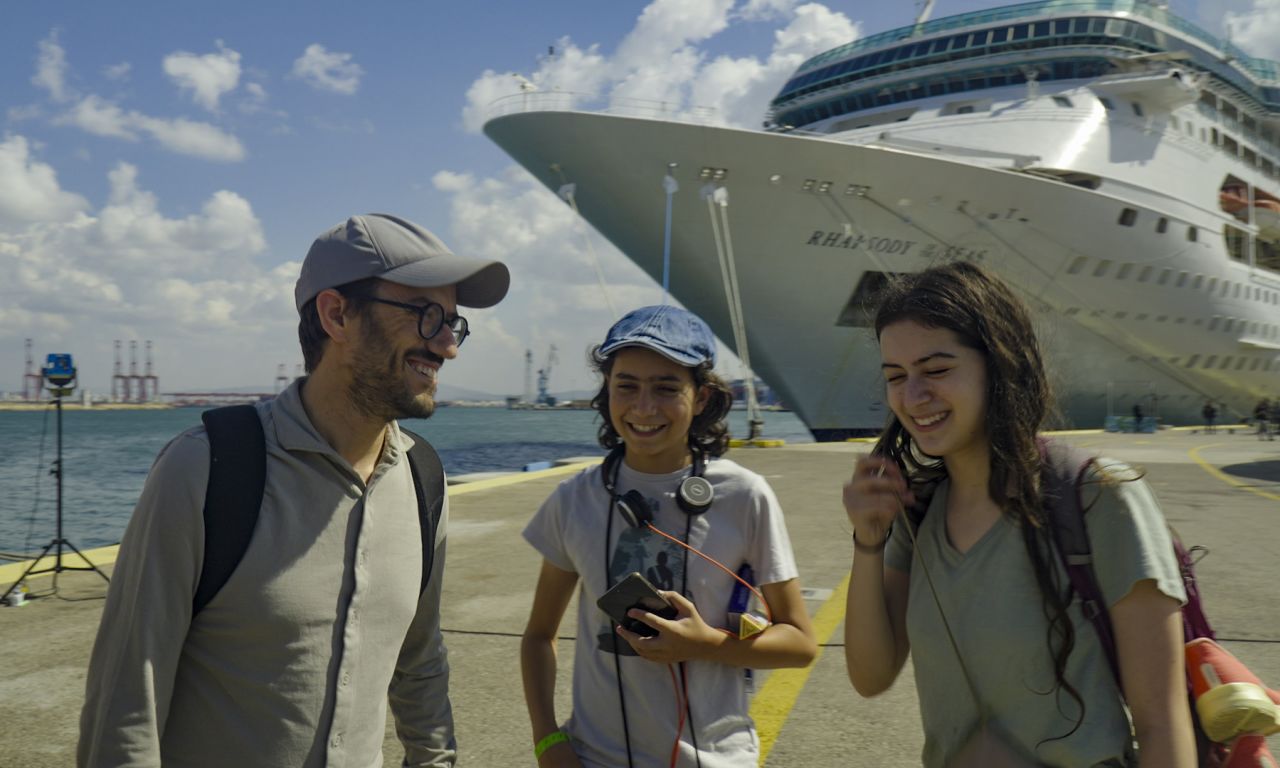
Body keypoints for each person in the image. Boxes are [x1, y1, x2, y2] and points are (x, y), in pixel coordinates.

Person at [78, 213, 510, 767]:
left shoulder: (422, 478)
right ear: (336, 315)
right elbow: (125, 704)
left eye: (454, 323)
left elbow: (419, 661)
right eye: (427, 316)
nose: (448, 346)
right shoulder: (205, 468)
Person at [841, 262, 1195, 767]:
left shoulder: (1098, 496)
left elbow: (1161, 722)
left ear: (1001, 364)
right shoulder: (917, 513)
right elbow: (870, 676)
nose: (913, 396)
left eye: (937, 370)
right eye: (896, 376)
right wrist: (868, 543)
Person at [520, 305, 817, 768]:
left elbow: (800, 644)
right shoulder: (573, 499)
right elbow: (539, 635)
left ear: (700, 397)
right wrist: (546, 741)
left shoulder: (745, 496)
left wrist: (707, 644)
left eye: (665, 388)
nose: (643, 408)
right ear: (607, 392)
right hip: (594, 757)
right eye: (627, 387)